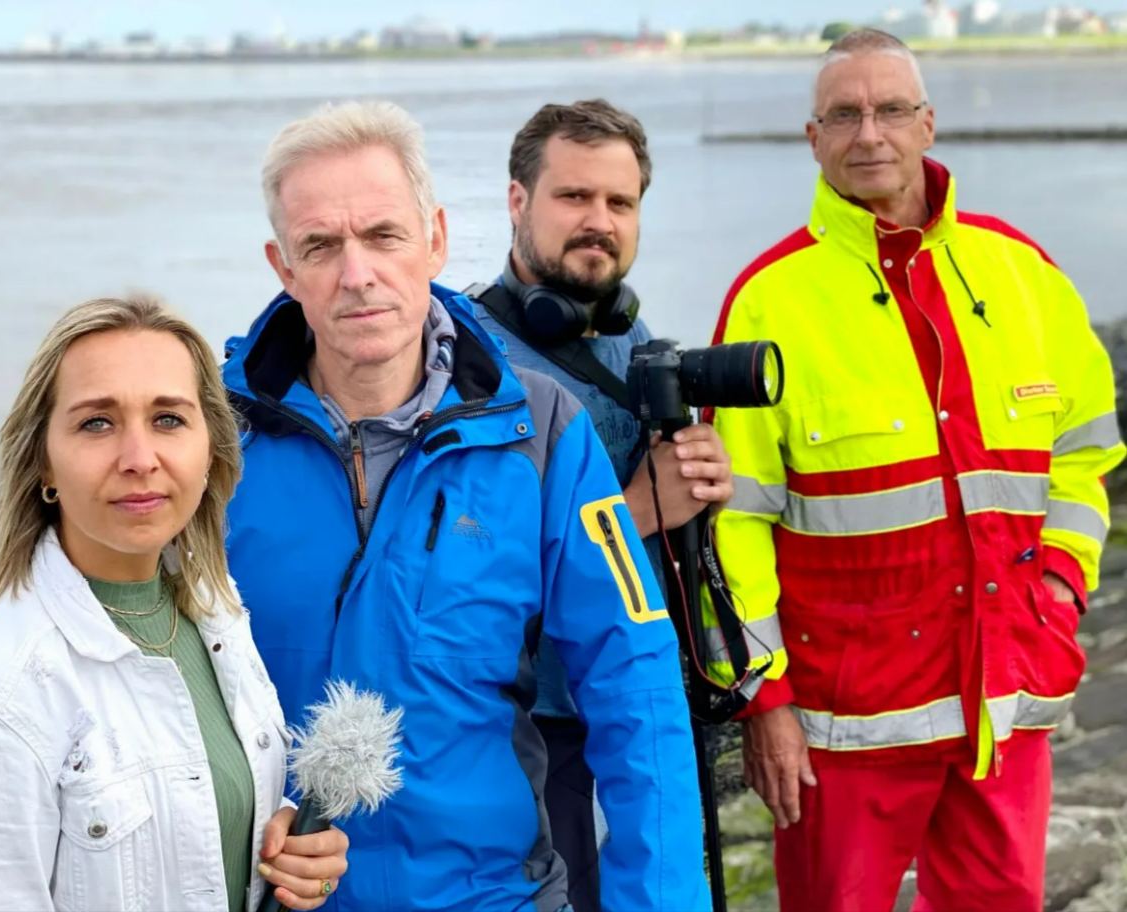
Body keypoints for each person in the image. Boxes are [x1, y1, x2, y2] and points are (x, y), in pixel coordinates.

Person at [221, 100, 710, 912]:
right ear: (283, 266)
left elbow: (638, 691)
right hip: (282, 895)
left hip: (493, 895)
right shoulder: (210, 444)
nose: (357, 274)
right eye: (321, 246)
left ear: (436, 238)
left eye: (384, 236)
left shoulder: (546, 432)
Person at [704, 28, 1125, 912]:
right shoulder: (768, 299)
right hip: (843, 730)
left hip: (1004, 701)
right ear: (811, 139)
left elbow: (1086, 456)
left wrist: (1059, 590)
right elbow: (731, 522)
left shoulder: (1023, 273)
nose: (870, 134)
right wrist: (765, 701)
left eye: (891, 109)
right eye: (844, 115)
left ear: (928, 124)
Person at [0, 296, 349, 912]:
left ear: (211, 450)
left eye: (169, 419)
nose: (140, 459)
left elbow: (202, 801)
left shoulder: (215, 612)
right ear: (44, 461)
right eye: (97, 422)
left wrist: (290, 847)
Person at [465, 99, 733, 912]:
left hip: (640, 698)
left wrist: (701, 480)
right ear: (518, 203)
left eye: (619, 203)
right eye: (574, 198)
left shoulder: (627, 330)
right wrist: (639, 508)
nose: (599, 222)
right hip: (532, 724)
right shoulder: (468, 361)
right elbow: (471, 567)